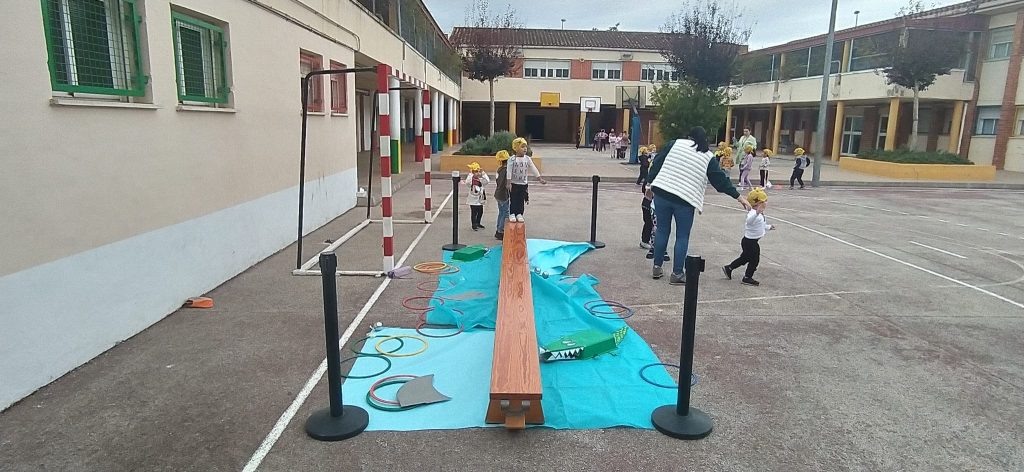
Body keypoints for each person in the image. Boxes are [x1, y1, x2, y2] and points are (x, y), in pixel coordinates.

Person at [646, 126, 751, 285]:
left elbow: (657, 163)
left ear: (689, 136)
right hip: (685, 200)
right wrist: (739, 197)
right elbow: (720, 181)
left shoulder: (674, 144)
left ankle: (657, 267)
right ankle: (677, 273)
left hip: (662, 192)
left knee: (662, 230)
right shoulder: (708, 157)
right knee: (682, 236)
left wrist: (649, 184)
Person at [723, 188, 775, 286]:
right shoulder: (753, 213)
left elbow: (761, 225)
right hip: (750, 242)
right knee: (754, 260)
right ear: (757, 203)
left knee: (745, 258)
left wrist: (768, 227)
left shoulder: (759, 214)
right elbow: (749, 221)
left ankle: (729, 268)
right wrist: (757, 213)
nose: (766, 204)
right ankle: (747, 277)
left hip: (751, 242)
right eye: (764, 202)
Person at [505, 137, 547, 221]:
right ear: (516, 148)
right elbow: (509, 171)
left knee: (521, 199)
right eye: (522, 147)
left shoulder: (527, 159)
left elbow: (533, 168)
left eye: (525, 147)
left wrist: (539, 178)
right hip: (514, 183)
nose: (525, 149)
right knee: (514, 199)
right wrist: (508, 182)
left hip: (523, 184)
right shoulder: (512, 159)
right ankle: (512, 213)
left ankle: (519, 214)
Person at [466, 162, 490, 231]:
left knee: (480, 212)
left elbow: (487, 181)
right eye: (475, 172)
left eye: (478, 172)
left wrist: (483, 173)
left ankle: (478, 222)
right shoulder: (471, 181)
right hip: (472, 200)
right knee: (474, 213)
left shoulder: (480, 180)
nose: (477, 173)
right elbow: (467, 182)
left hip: (479, 200)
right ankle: (474, 225)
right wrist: (471, 174)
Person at [493, 150, 510, 239]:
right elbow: (505, 184)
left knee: (501, 212)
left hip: (498, 193)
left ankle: (498, 230)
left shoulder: (499, 170)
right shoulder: (506, 171)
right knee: (505, 213)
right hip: (503, 195)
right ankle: (501, 231)